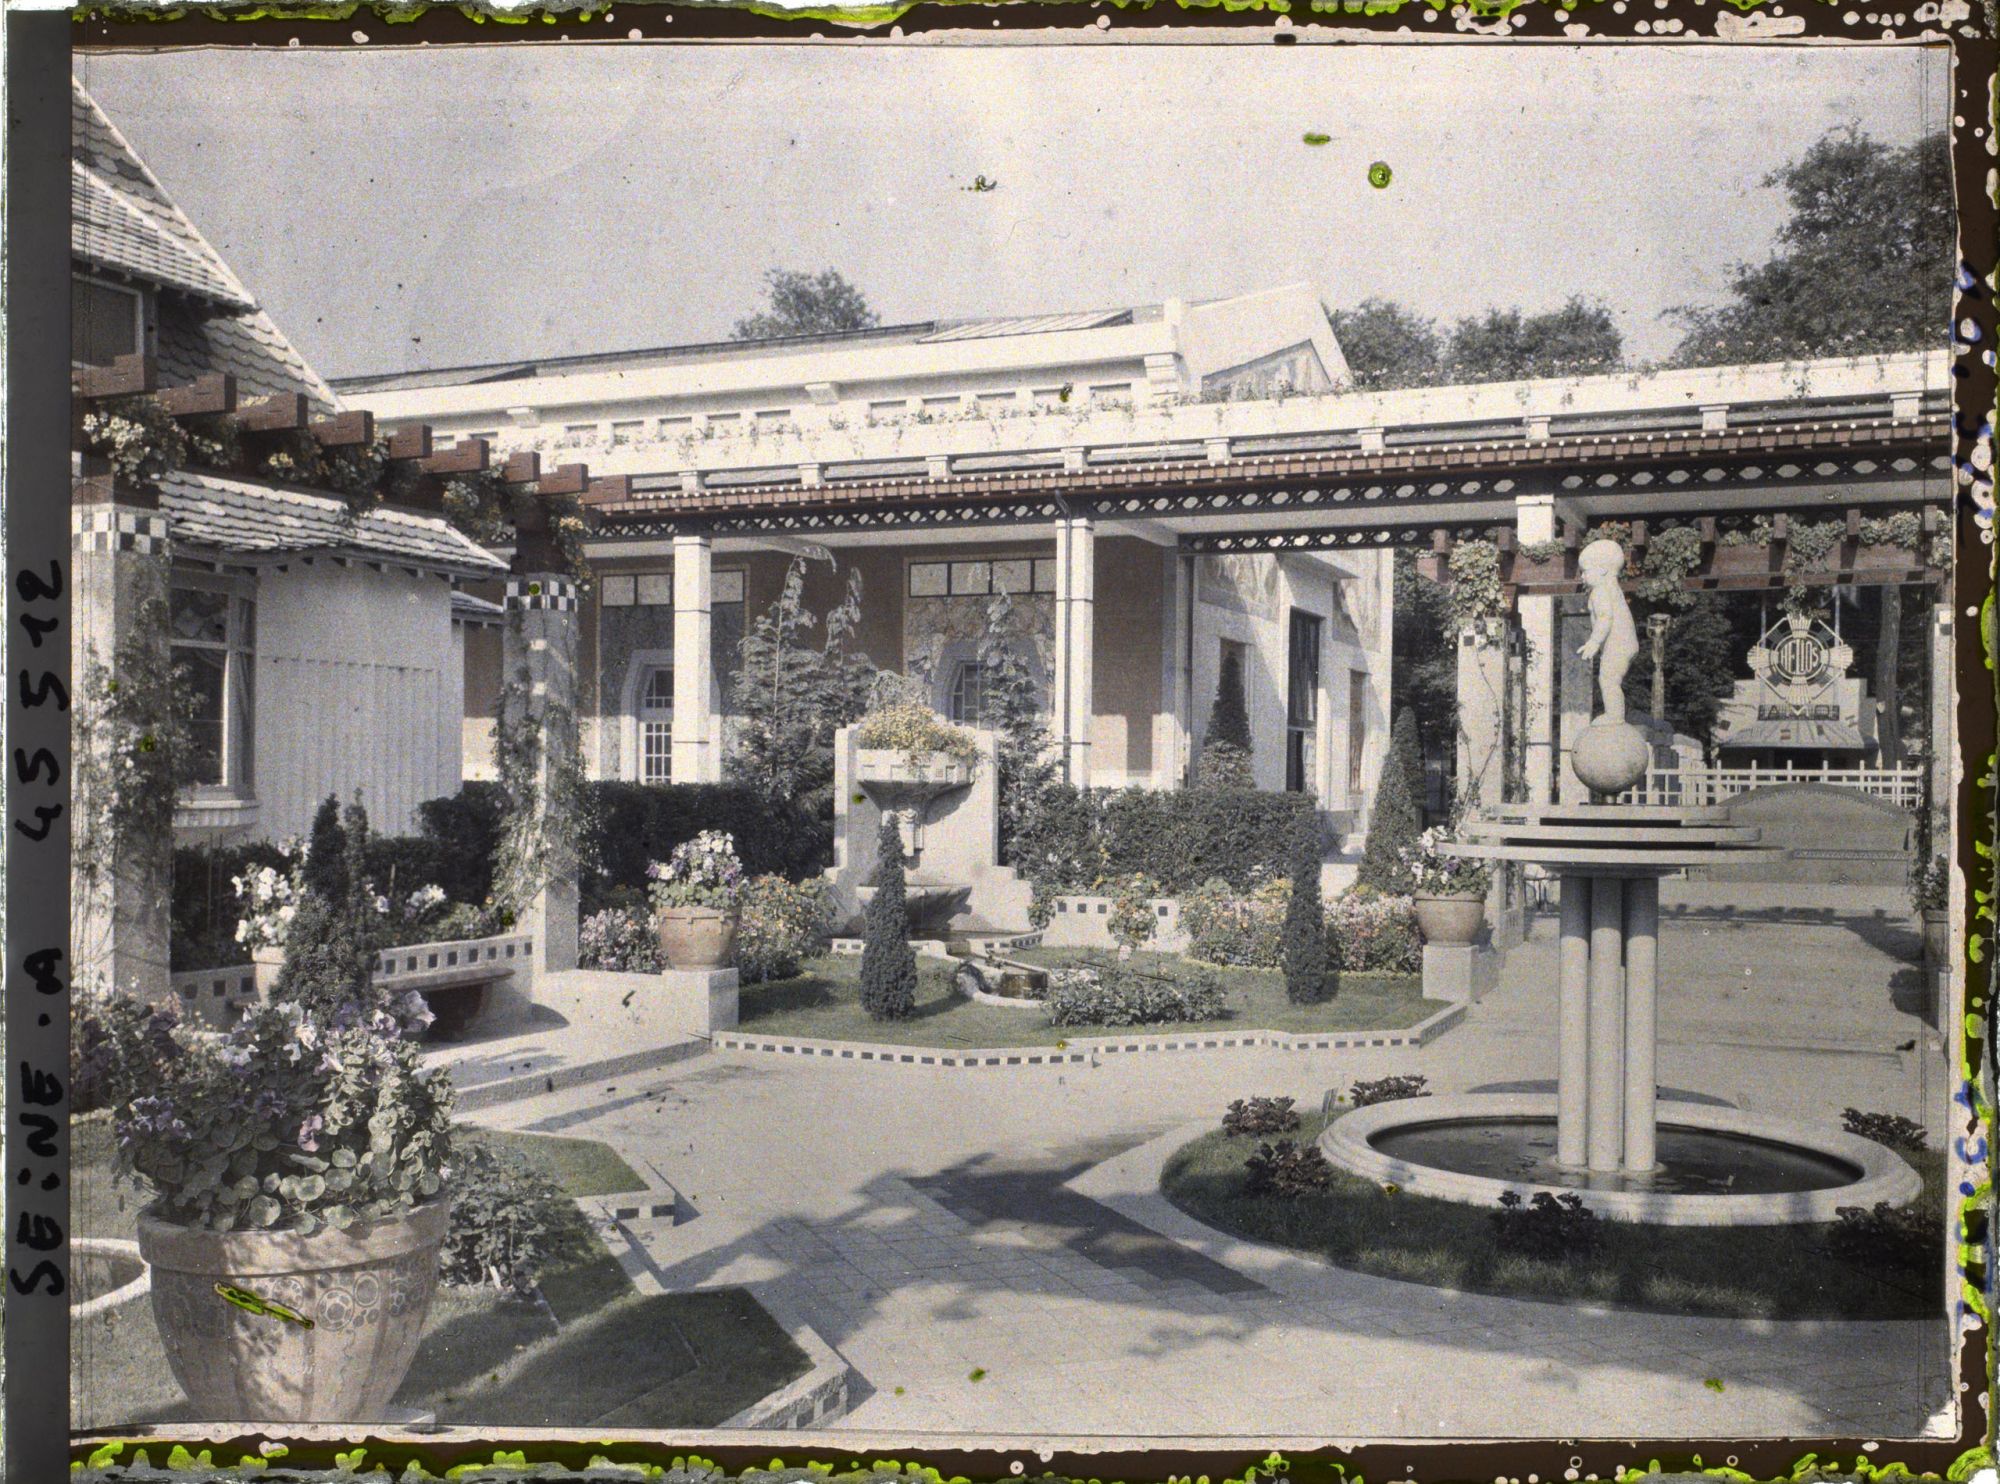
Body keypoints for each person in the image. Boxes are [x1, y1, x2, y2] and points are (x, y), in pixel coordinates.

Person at [1577, 538, 1638, 725]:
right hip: (1624, 644)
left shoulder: (1600, 591)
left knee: (1608, 678)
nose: (1582, 577)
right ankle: (1615, 714)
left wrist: (1594, 641)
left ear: (1602, 570)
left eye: (1585, 571)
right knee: (1611, 678)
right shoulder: (1613, 589)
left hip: (1618, 644)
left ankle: (1615, 716)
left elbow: (1605, 617)